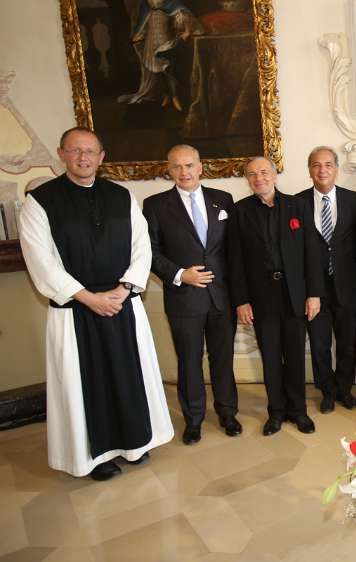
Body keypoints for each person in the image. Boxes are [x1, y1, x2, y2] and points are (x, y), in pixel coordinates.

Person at [18, 127, 173, 481]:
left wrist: (123, 290)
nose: (83, 158)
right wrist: (88, 298)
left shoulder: (122, 196)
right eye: (75, 151)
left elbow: (142, 247)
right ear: (61, 154)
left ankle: (134, 445)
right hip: (76, 311)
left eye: (90, 151)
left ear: (102, 157)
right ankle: (95, 457)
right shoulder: (40, 202)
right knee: (86, 385)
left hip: (122, 304)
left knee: (128, 375)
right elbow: (41, 261)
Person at [142, 144, 240, 445]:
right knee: (189, 361)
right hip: (184, 298)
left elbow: (234, 250)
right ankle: (194, 419)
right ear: (169, 170)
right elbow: (150, 251)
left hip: (222, 297)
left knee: (223, 359)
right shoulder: (155, 205)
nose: (184, 172)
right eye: (177, 167)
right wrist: (180, 274)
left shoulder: (223, 200)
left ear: (200, 167)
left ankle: (227, 412)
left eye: (189, 165)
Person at [227, 157, 324, 435]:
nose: (259, 178)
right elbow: (235, 261)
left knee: (294, 355)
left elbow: (312, 253)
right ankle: (276, 412)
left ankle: (298, 411)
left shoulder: (298, 206)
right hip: (260, 296)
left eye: (264, 172)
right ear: (247, 179)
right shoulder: (239, 212)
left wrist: (314, 294)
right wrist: (241, 300)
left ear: (274, 175)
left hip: (294, 294)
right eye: (252, 174)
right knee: (270, 356)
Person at [295, 146, 356, 413]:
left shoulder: (353, 199)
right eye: (316, 165)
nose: (322, 170)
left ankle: (344, 389)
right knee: (320, 344)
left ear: (335, 168)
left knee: (347, 342)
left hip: (347, 285)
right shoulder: (297, 202)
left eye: (327, 164)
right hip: (314, 289)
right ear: (310, 170)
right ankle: (327, 391)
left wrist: (340, 265)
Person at [119, 0, 204, 111]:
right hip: (151, 43)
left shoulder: (172, 4)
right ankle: (166, 96)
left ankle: (174, 98)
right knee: (159, 71)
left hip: (166, 42)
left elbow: (182, 18)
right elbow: (144, 24)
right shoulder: (145, 6)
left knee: (169, 70)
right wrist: (140, 35)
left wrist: (186, 31)